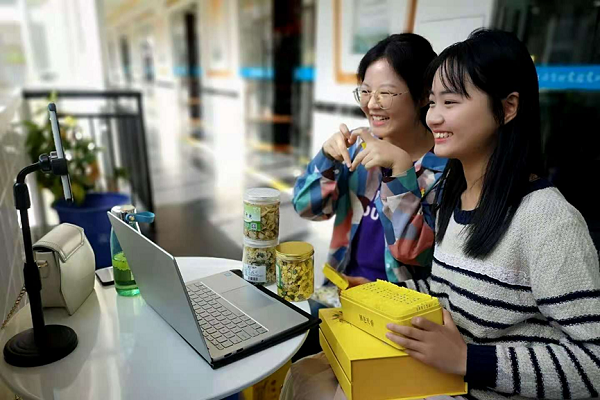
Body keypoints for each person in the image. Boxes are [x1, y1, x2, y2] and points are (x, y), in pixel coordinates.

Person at [283, 29, 600, 399]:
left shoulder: (545, 218)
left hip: (456, 377)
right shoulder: (459, 194)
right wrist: (376, 296)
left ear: (508, 107)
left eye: (449, 102)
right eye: (434, 103)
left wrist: (467, 359)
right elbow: (446, 294)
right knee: (303, 375)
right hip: (400, 339)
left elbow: (593, 362)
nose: (433, 117)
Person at [292, 33, 445, 314]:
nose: (371, 104)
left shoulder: (443, 170)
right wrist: (326, 159)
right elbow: (307, 208)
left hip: (398, 312)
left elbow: (413, 252)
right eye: (365, 91)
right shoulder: (357, 148)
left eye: (385, 93)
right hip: (337, 294)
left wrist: (399, 172)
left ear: (424, 95)